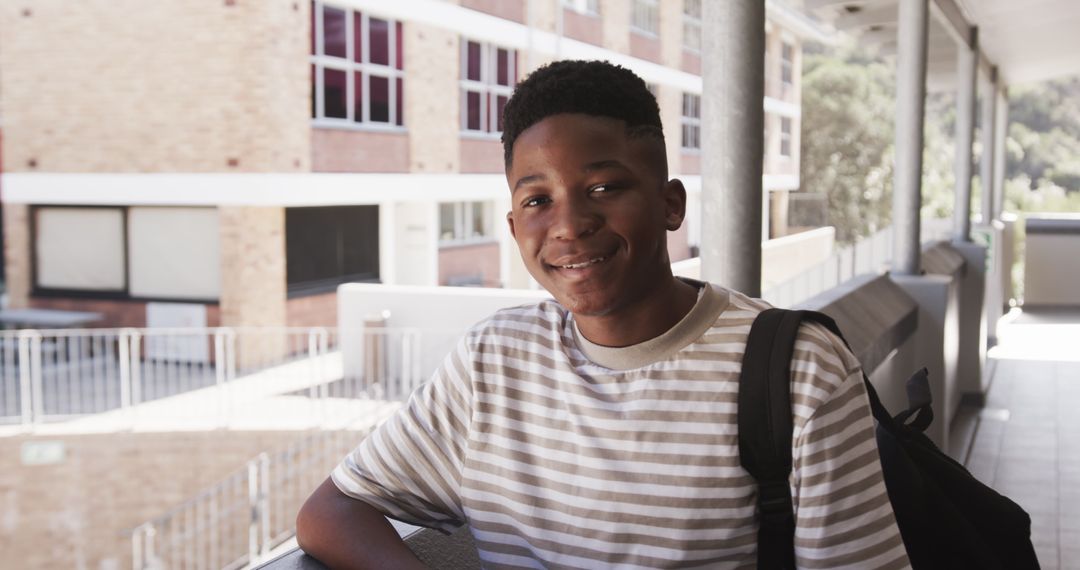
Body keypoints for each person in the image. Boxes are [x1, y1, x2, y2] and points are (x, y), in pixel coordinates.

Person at [296, 59, 910, 569]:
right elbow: (332, 512)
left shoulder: (799, 371)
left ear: (671, 204)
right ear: (514, 228)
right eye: (538, 199)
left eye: (603, 188)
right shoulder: (492, 362)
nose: (569, 225)